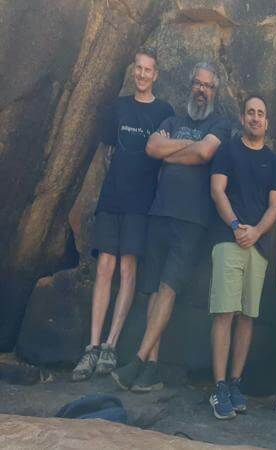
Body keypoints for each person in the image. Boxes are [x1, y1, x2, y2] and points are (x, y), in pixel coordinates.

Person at [111, 62, 231, 392]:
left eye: (207, 85)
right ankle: (150, 369)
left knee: (168, 288)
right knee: (151, 287)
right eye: (197, 83)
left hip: (191, 220)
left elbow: (206, 152)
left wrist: (173, 151)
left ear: (214, 92)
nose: (201, 89)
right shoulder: (172, 120)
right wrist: (187, 149)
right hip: (159, 213)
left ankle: (137, 359)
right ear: (190, 86)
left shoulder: (221, 124)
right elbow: (152, 148)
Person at [71, 47, 174, 382]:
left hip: (141, 204)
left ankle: (111, 347)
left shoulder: (163, 111)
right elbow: (106, 151)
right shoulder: (118, 107)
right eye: (139, 69)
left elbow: (164, 160)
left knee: (128, 268)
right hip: (111, 198)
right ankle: (92, 346)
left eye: (149, 70)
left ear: (156, 74)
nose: (143, 74)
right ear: (134, 71)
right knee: (104, 266)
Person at [207, 95, 276, 419]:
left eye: (261, 114)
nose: (255, 118)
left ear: (267, 122)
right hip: (228, 240)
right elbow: (217, 190)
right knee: (225, 311)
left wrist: (256, 233)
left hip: (259, 247)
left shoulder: (274, 161)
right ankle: (219, 386)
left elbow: (275, 205)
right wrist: (237, 226)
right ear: (243, 118)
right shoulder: (228, 150)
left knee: (248, 316)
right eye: (250, 112)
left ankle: (236, 381)